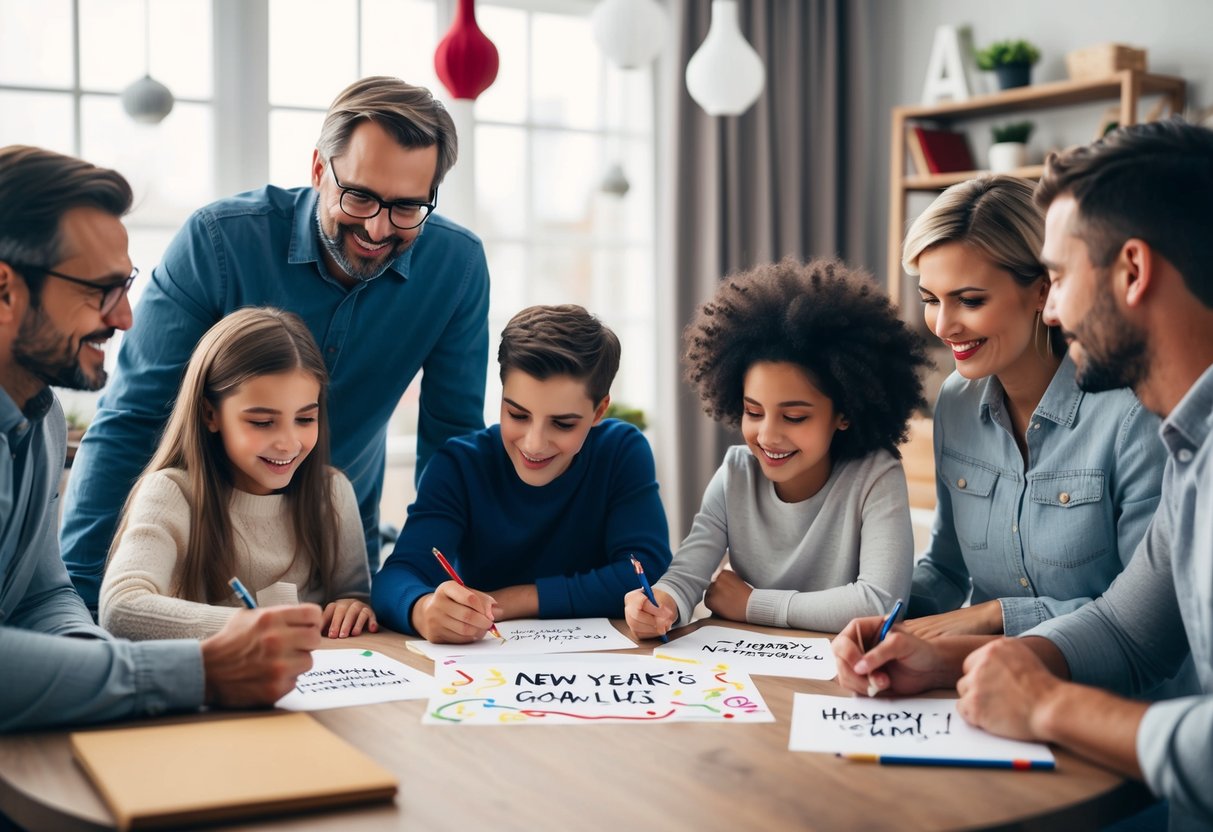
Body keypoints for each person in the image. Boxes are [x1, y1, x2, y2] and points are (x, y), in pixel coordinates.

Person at [833, 119, 1213, 830]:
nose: (1057, 307)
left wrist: (1041, 699)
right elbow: (1131, 630)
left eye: (1062, 277)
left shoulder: (1159, 431)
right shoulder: (1193, 444)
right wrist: (944, 661)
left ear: (1131, 272)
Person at [61, 76, 491, 614]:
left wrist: (423, 590)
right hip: (198, 573)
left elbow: (450, 446)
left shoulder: (458, 266)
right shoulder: (217, 243)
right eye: (359, 197)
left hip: (332, 560)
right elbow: (132, 419)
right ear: (318, 169)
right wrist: (77, 602)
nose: (378, 229)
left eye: (407, 208)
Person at [0, 145, 319, 733]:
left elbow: (41, 597)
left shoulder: (40, 416)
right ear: (5, 291)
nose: (124, 318)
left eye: (125, 287)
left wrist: (101, 677)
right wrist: (194, 672)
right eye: (100, 290)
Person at [901, 175, 1166, 638]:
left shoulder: (1131, 414)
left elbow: (1147, 618)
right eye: (930, 299)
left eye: (969, 300)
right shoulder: (955, 403)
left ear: (1043, 290)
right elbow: (946, 571)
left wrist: (995, 615)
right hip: (980, 686)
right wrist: (878, 611)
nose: (943, 326)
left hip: (1107, 701)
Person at [625, 258, 928, 640]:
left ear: (845, 414)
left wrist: (754, 604)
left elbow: (880, 604)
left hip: (843, 676)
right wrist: (660, 604)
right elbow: (687, 574)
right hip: (751, 672)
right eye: (754, 411)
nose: (767, 435)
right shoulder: (737, 472)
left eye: (795, 417)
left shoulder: (875, 476)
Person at [372, 304, 672, 643]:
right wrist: (424, 609)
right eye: (517, 414)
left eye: (562, 423)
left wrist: (513, 600)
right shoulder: (459, 465)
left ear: (598, 411)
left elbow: (647, 571)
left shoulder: (621, 451)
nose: (534, 443)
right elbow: (395, 578)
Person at [100, 307, 376, 641]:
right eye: (262, 422)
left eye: (305, 419)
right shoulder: (172, 493)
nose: (289, 443)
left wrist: (354, 606)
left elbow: (354, 598)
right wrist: (255, 628)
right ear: (210, 414)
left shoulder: (331, 492)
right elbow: (120, 609)